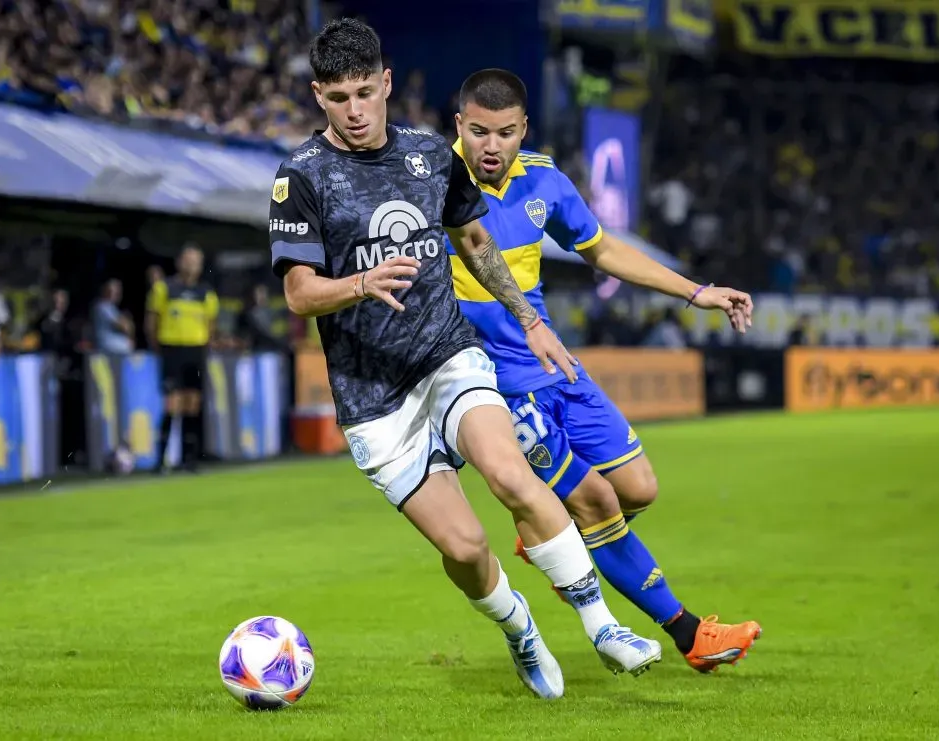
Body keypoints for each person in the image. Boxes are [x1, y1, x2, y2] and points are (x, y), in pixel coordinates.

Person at [269, 19, 661, 701]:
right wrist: (361, 282)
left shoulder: (428, 155)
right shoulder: (301, 178)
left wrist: (529, 319)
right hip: (375, 399)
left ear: (387, 83)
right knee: (467, 548)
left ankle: (603, 626)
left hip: (449, 358)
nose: (355, 111)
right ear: (317, 96)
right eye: (338, 98)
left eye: (366, 91)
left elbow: (475, 239)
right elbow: (300, 293)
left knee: (512, 473)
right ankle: (520, 629)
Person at [446, 69, 762, 673]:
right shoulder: (433, 182)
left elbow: (602, 250)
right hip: (493, 383)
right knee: (594, 500)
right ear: (460, 125)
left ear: (524, 130)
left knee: (638, 487)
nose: (492, 146)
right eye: (479, 132)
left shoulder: (544, 179)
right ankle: (690, 633)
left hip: (553, 362)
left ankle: (548, 534)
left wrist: (694, 293)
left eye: (505, 133)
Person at [145, 245, 219, 473]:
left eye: (196, 261)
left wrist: (205, 346)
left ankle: (188, 460)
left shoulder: (206, 293)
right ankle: (161, 460)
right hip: (172, 350)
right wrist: (159, 348)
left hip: (195, 351)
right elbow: (151, 323)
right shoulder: (163, 289)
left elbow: (211, 326)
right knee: (172, 403)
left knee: (192, 405)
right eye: (188, 260)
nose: (192, 265)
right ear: (179, 263)